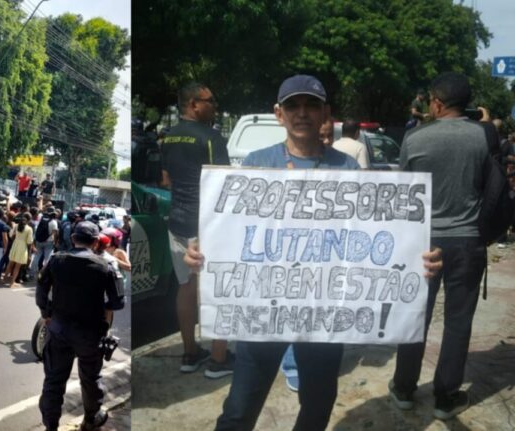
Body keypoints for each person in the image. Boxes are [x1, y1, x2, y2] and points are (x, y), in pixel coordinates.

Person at [187, 74, 443, 430]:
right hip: (262, 311)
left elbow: (373, 238)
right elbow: (233, 230)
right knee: (239, 409)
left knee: (318, 404)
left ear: (326, 113)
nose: (302, 113)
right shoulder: (255, 164)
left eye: (311, 105)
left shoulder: (348, 169)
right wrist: (205, 251)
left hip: (324, 315)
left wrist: (416, 258)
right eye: (293, 105)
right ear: (279, 114)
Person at [390, 72, 493, 420]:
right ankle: (445, 397)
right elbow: (488, 186)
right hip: (468, 240)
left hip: (422, 244)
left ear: (436, 102)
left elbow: (403, 195)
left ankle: (403, 388)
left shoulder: (415, 139)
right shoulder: (482, 137)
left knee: (414, 315)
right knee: (458, 321)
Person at [159, 81, 232, 378]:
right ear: (193, 104)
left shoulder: (167, 138)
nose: (214, 105)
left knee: (185, 287)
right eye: (210, 100)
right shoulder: (212, 138)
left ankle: (189, 354)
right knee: (218, 289)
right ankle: (218, 359)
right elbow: (224, 186)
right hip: (207, 226)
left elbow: (166, 181)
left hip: (177, 222)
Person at [36, 221, 125, 431]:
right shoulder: (105, 266)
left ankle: (50, 426)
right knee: (91, 378)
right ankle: (91, 418)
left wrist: (46, 314)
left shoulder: (56, 260)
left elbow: (41, 290)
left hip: (58, 330)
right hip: (90, 334)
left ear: (73, 238)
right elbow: (118, 302)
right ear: (95, 242)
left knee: (53, 381)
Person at [3, 212, 33, 287]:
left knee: (10, 263)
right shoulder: (29, 229)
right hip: (22, 247)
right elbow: (29, 241)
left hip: (15, 244)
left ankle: (4, 278)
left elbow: (10, 235)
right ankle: (12, 283)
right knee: (17, 266)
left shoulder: (16, 226)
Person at [29, 206, 59, 278]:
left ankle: (31, 274)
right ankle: (44, 274)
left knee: (36, 257)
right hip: (48, 242)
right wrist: (55, 242)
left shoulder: (40, 217)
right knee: (47, 259)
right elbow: (55, 233)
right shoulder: (54, 222)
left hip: (38, 240)